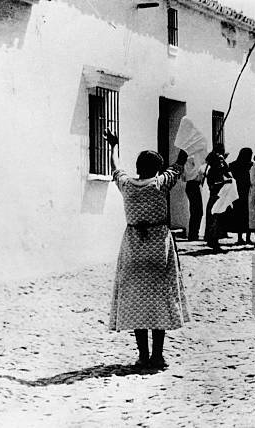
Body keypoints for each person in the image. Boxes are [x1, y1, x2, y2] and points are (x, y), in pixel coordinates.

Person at [106, 130, 190, 369]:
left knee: (137, 300)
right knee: (159, 300)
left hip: (133, 245)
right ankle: (158, 355)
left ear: (138, 166)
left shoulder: (127, 185)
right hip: (157, 245)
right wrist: (185, 145)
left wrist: (114, 145)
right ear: (157, 169)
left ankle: (143, 354)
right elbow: (179, 165)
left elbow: (115, 167)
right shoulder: (160, 184)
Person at [203, 149, 232, 252]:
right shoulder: (211, 172)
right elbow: (212, 186)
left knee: (217, 222)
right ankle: (214, 244)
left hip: (218, 198)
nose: (221, 162)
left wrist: (223, 160)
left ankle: (214, 242)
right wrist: (224, 182)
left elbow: (228, 171)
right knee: (214, 222)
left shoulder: (219, 170)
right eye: (219, 161)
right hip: (214, 198)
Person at [228, 148, 253, 244]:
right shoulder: (250, 165)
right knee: (247, 216)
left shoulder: (233, 165)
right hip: (247, 193)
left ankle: (240, 237)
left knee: (239, 215)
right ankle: (247, 237)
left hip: (237, 193)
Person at [183, 156, 204, 241]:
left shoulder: (192, 159)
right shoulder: (191, 159)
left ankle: (194, 233)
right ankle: (193, 234)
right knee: (197, 211)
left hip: (193, 185)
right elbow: (191, 174)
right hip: (193, 184)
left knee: (196, 211)